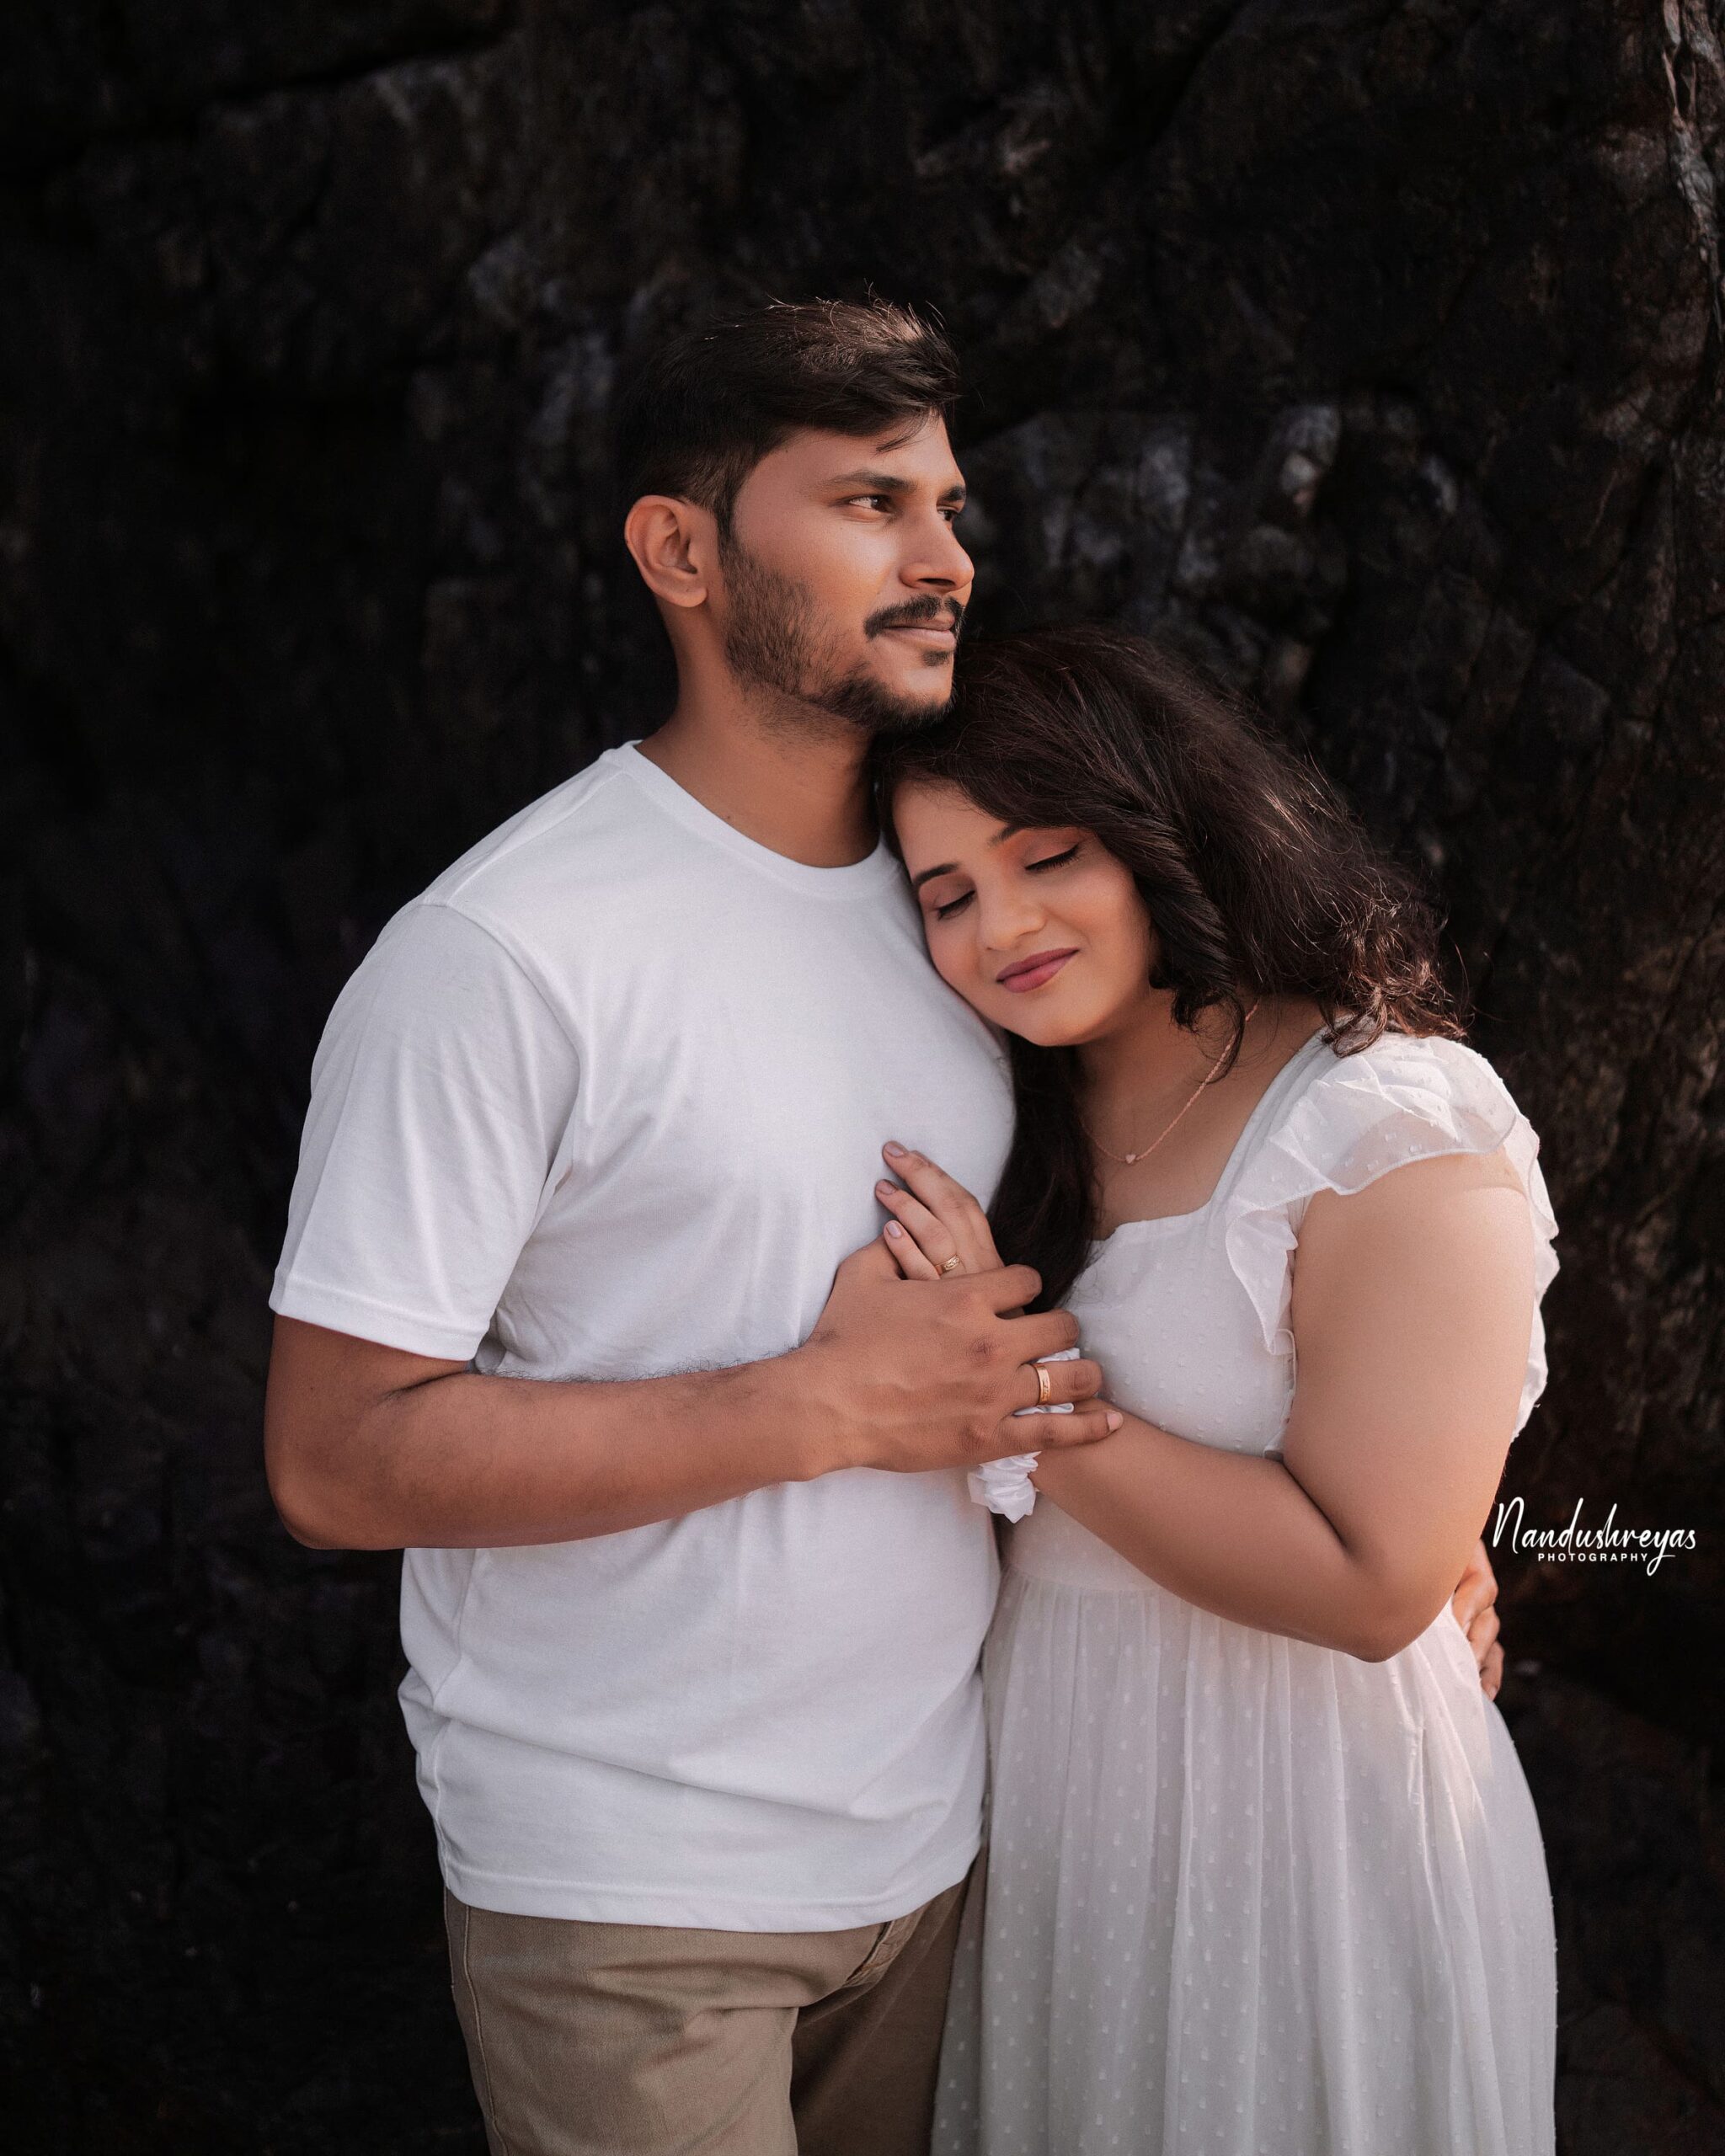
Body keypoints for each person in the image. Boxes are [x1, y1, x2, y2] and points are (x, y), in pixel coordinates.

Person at [262, 297, 1505, 2156]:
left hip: (954, 1853)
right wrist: (822, 1405)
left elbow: (1225, 1219)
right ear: (681, 550)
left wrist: (1416, 1513)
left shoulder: (970, 923)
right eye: (868, 501)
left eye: (947, 504)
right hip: (633, 1886)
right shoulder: (502, 955)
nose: (945, 557)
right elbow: (332, 1462)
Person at [868, 624, 1558, 2156]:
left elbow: (1373, 1581)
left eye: (1048, 856)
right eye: (948, 894)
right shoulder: (995, 1124)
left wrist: (1015, 1385)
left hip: (1308, 1815)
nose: (1003, 925)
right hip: (1058, 1797)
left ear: (1159, 828)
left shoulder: (1382, 1120)